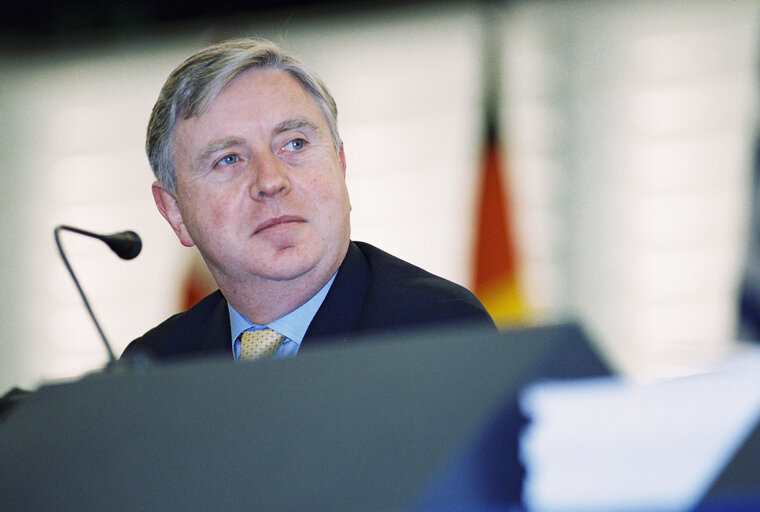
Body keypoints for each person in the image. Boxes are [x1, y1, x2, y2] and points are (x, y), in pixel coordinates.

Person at [122, 38, 495, 362]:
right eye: (229, 159)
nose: (270, 181)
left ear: (340, 163)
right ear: (174, 211)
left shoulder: (437, 331)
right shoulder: (155, 367)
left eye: (295, 144)